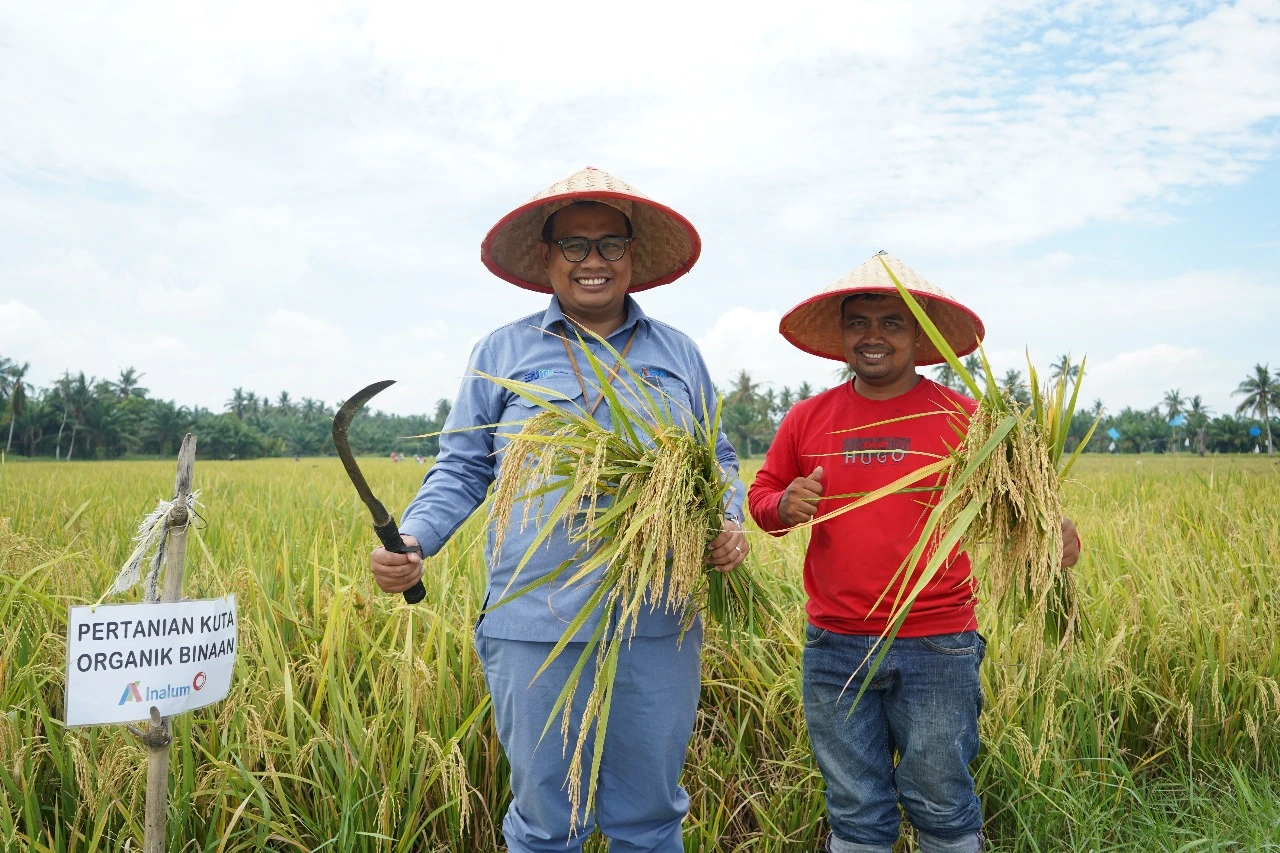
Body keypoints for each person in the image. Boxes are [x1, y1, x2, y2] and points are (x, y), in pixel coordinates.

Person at [369, 167, 748, 852]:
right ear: (547, 257)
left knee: (650, 818)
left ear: (631, 254)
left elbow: (715, 459)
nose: (592, 260)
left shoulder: (677, 354)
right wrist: (416, 539)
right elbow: (462, 465)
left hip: (655, 620)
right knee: (547, 822)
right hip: (534, 621)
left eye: (609, 243)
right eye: (574, 244)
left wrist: (728, 521)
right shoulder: (503, 352)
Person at [747, 252, 1080, 853]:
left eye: (891, 323)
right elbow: (763, 495)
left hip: (937, 643)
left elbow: (1025, 506)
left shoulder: (969, 420)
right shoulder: (807, 418)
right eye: (858, 322)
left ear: (920, 336)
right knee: (854, 804)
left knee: (941, 798)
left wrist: (1051, 535)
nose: (872, 336)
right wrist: (782, 505)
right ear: (842, 335)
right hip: (835, 644)